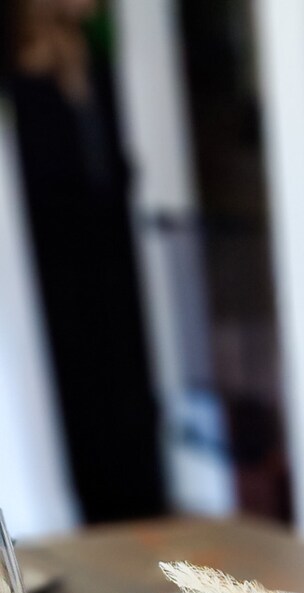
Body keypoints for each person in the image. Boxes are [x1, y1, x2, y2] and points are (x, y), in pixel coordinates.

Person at [6, 0, 165, 521]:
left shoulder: (95, 59)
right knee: (81, 401)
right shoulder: (17, 73)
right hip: (53, 272)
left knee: (128, 395)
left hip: (111, 259)